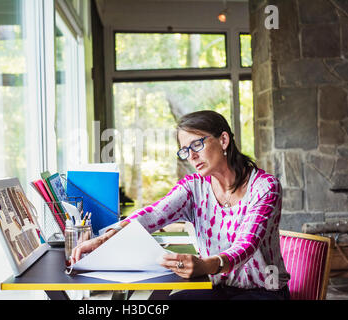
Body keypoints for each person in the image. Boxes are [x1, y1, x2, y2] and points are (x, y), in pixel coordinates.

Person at [71, 110, 291, 300]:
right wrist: (102, 240)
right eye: (185, 150)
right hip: (217, 288)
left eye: (197, 144)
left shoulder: (264, 187)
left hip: (265, 292)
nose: (192, 156)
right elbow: (152, 214)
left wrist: (206, 265)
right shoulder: (194, 187)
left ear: (223, 140)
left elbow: (246, 246)